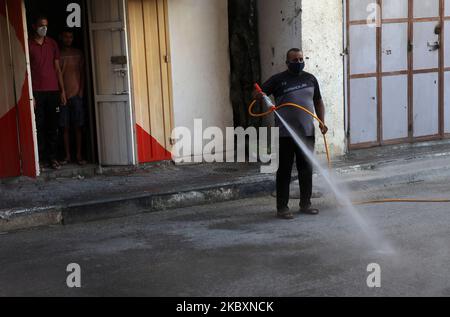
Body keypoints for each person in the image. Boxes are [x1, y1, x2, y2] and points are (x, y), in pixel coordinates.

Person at [255, 48, 328, 220]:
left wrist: (321, 121)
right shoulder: (278, 80)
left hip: (306, 132)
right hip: (284, 133)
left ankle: (306, 204)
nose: (298, 62)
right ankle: (282, 208)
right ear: (287, 62)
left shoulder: (311, 79)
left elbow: (318, 101)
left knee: (306, 169)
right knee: (284, 171)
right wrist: (259, 95)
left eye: (301, 59)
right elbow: (258, 94)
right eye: (294, 60)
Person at [29, 16, 67, 170]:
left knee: (53, 126)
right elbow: (26, 71)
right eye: (41, 26)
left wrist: (62, 91)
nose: (43, 28)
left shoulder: (52, 44)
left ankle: (53, 158)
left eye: (46, 26)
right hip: (37, 92)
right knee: (39, 126)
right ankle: (42, 160)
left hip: (53, 91)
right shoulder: (28, 44)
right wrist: (31, 95)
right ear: (34, 26)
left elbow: (57, 69)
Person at [59, 29, 87, 166]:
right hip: (64, 96)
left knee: (78, 127)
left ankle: (79, 155)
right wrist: (61, 92)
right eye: (66, 36)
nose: (68, 39)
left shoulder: (78, 53)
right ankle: (67, 156)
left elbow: (83, 73)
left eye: (70, 37)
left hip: (77, 95)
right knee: (64, 127)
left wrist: (81, 91)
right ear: (61, 37)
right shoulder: (58, 54)